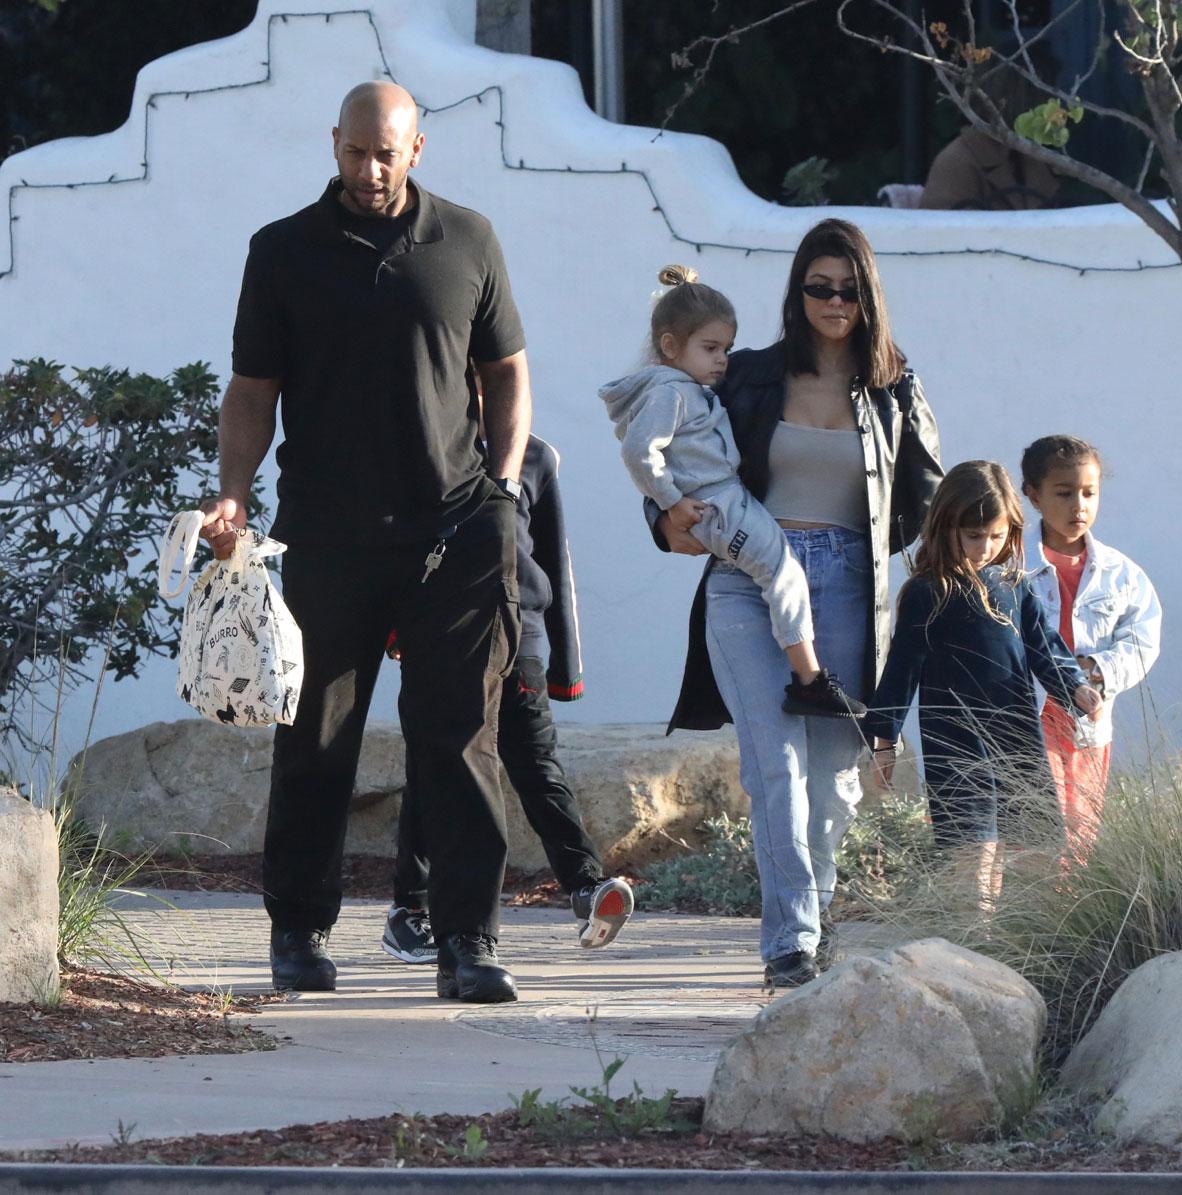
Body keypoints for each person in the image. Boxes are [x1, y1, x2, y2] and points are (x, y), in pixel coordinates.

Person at [199, 81, 531, 1004]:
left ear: (417, 148)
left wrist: (502, 488)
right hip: (327, 533)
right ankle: (298, 932)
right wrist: (233, 496)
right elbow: (252, 390)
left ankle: (467, 940)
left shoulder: (468, 240)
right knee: (314, 737)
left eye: (387, 153)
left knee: (461, 738)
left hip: (458, 531)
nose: (370, 169)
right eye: (355, 152)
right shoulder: (283, 251)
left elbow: (506, 372)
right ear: (333, 142)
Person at [652, 218, 943, 988]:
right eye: (820, 286)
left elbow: (929, 493)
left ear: (868, 294)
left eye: (849, 288)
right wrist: (665, 519)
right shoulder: (749, 374)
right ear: (799, 290)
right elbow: (680, 446)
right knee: (774, 767)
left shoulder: (893, 387)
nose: (834, 301)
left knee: (834, 781)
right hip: (750, 578)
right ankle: (792, 944)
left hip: (850, 580)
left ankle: (813, 914)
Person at [382, 435, 634, 961]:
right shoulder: (417, 443)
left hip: (523, 632)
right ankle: (410, 910)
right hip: (443, 631)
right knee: (438, 762)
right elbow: (393, 538)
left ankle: (587, 888)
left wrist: (566, 666)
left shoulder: (535, 454)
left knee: (538, 765)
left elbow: (553, 555)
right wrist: (394, 629)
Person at [602, 265, 865, 720]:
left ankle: (809, 677)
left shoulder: (693, 388)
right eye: (710, 348)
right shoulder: (671, 393)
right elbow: (639, 452)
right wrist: (670, 502)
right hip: (716, 504)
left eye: (724, 347)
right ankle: (810, 680)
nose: (723, 359)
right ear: (670, 346)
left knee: (783, 574)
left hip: (728, 497)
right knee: (782, 572)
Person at [863, 460, 1103, 906]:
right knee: (974, 850)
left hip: (1015, 737)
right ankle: (972, 943)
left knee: (1033, 846)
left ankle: (1012, 946)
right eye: (974, 536)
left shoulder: (1015, 586)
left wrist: (1075, 686)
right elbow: (901, 669)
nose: (986, 547)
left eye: (997, 536)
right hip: (955, 742)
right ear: (946, 526)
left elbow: (1044, 647)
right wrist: (884, 741)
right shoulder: (927, 592)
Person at [1021, 435, 1161, 856]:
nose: (1078, 506)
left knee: (1080, 833)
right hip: (1027, 717)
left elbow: (1143, 639)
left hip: (1087, 723)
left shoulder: (1121, 573)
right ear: (1033, 496)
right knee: (1036, 832)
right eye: (1064, 494)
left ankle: (1069, 914)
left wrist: (1097, 667)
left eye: (1089, 493)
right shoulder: (1010, 564)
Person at [919, 56, 1060, 212]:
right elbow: (940, 233)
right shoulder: (956, 163)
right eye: (1040, 94)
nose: (1050, 104)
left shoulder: (1033, 159)